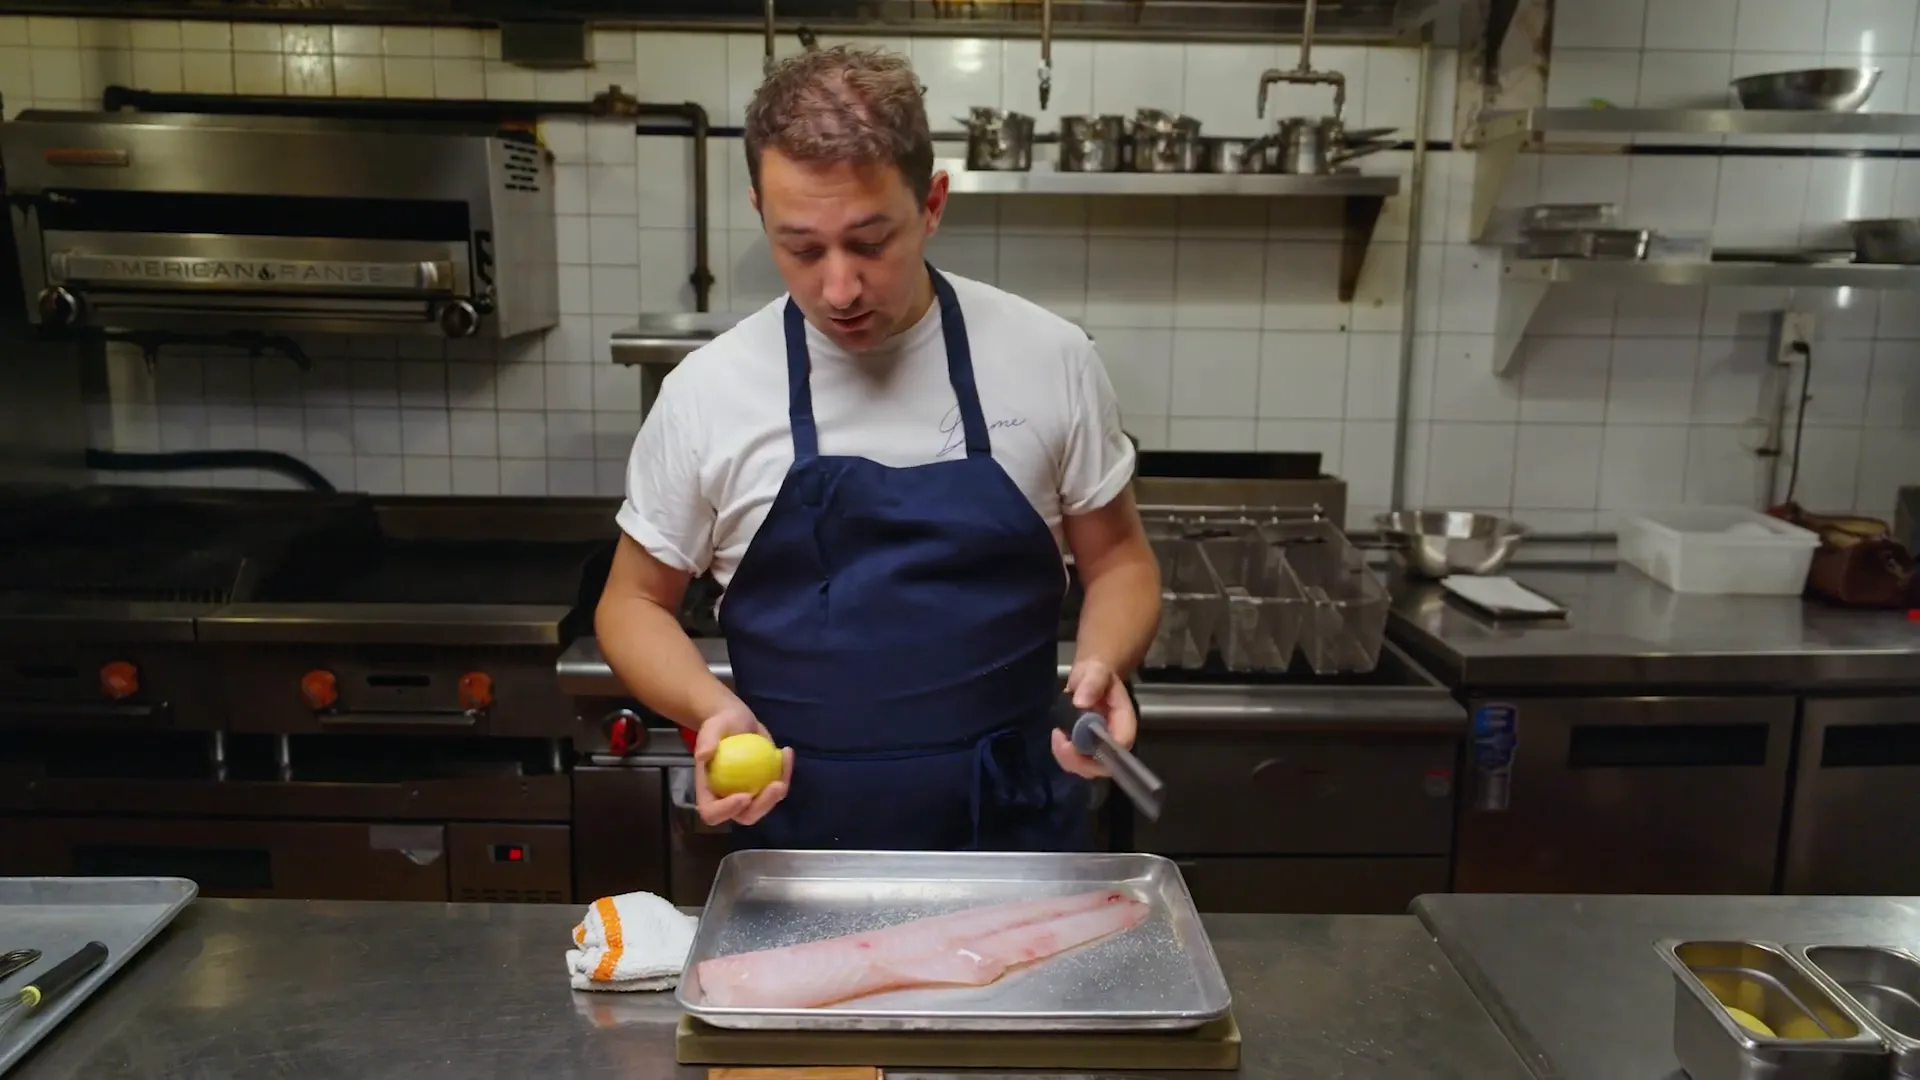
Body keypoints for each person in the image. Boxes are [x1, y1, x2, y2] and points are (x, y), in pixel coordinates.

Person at [595, 45, 1161, 853]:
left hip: (1019, 845)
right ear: (760, 211)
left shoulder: (1051, 358)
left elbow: (1121, 563)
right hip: (797, 849)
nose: (839, 289)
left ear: (931, 203)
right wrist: (708, 711)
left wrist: (1102, 665)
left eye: (869, 242)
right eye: (801, 247)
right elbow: (631, 603)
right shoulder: (706, 392)